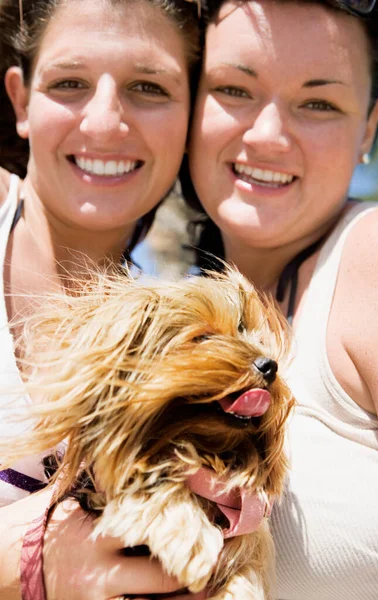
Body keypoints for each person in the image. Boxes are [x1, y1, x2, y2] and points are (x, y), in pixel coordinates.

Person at [184, 0, 378, 597]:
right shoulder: (183, 319)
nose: (269, 135)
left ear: (369, 128)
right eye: (234, 89)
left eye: (318, 103)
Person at [0, 0, 206, 598]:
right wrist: (37, 550)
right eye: (70, 83)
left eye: (148, 87)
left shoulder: (175, 346)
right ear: (20, 101)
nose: (104, 122)